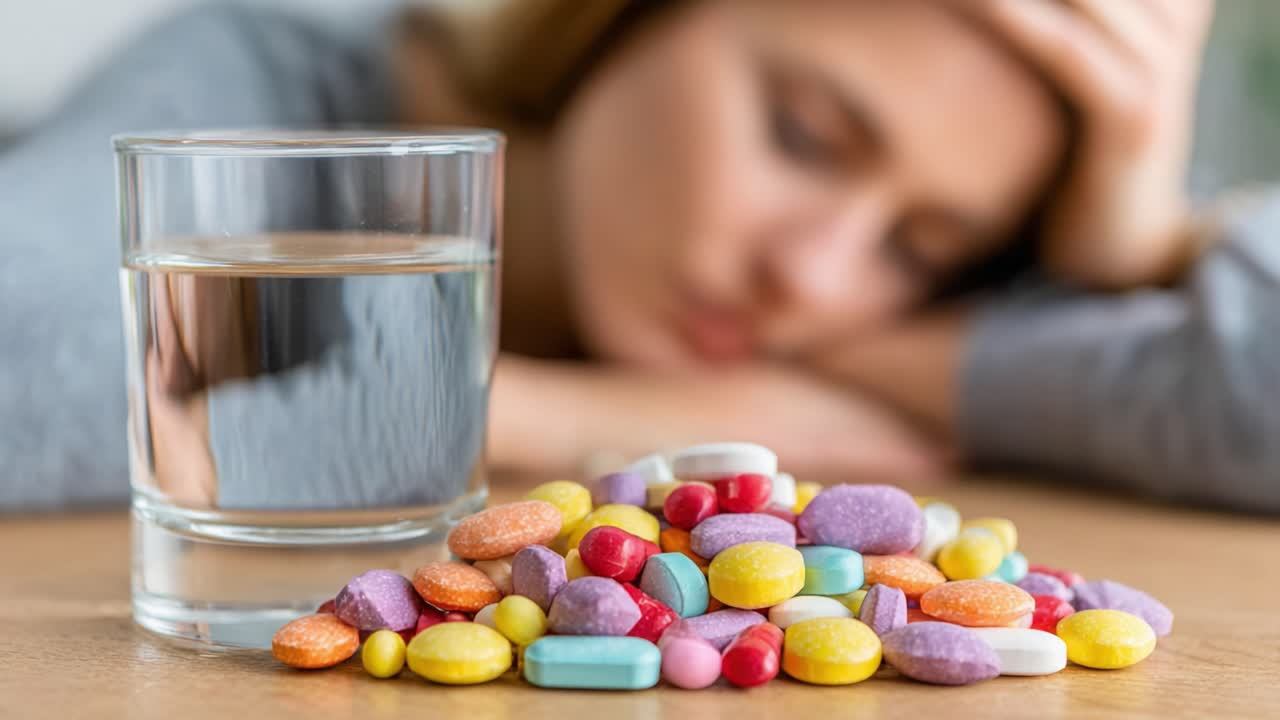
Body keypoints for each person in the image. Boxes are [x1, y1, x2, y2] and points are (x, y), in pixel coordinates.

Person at [1, 0, 1276, 512]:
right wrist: (585, 417)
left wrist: (1133, 245)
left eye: (920, 246)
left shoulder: (859, 325)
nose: (816, 277)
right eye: (802, 134)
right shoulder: (279, 72)